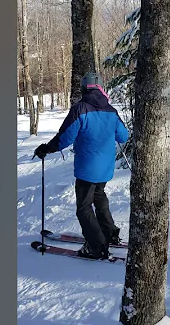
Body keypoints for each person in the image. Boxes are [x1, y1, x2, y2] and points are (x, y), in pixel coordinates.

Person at [34, 72, 129, 259]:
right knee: (99, 195)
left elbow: (65, 137)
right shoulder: (111, 110)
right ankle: (109, 234)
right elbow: (123, 136)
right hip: (106, 167)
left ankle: (96, 245)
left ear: (84, 88)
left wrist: (47, 148)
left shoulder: (80, 109)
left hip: (87, 168)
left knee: (84, 207)